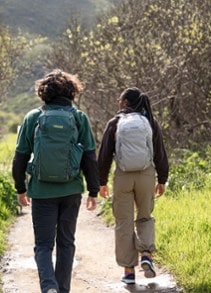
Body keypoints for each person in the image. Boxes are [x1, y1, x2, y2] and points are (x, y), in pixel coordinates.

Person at [12, 69, 99, 293]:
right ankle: (62, 290)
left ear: (44, 92)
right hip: (71, 191)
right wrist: (93, 190)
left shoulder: (33, 117)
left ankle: (48, 287)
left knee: (43, 245)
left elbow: (20, 157)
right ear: (72, 91)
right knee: (66, 243)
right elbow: (89, 157)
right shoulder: (79, 118)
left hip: (41, 192)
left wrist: (21, 188)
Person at [98, 87, 169, 285]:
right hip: (146, 175)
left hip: (123, 176)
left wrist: (101, 182)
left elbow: (104, 156)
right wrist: (162, 179)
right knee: (145, 216)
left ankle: (129, 271)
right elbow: (160, 154)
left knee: (123, 222)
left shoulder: (115, 123)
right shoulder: (150, 123)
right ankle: (146, 254)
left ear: (125, 102)